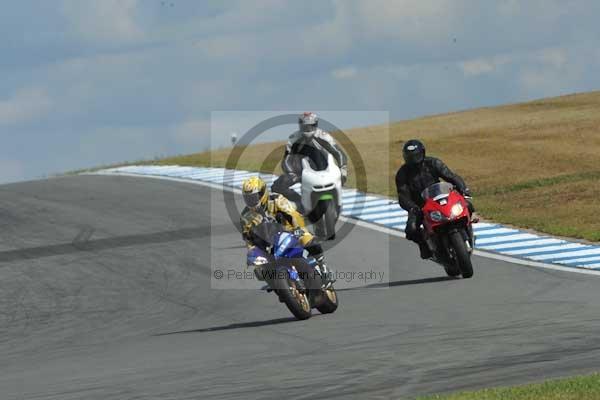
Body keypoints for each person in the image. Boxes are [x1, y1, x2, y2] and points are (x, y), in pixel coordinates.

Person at [240, 176, 333, 285]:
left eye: (254, 197)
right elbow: (248, 239)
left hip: (290, 230)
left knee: (307, 239)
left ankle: (322, 266)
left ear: (263, 193)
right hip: (268, 243)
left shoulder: (276, 199)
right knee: (260, 270)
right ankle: (279, 287)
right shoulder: (246, 216)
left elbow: (292, 215)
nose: (252, 201)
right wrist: (253, 252)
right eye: (249, 198)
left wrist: (297, 229)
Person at [395, 139, 475, 259]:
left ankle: (469, 225)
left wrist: (464, 189)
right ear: (405, 157)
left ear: (423, 152)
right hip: (420, 206)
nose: (414, 160)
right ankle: (423, 245)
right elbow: (402, 196)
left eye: (416, 156)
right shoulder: (402, 174)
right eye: (411, 157)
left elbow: (451, 176)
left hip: (440, 197)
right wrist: (412, 208)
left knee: (467, 205)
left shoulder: (433, 163)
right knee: (411, 229)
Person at [271, 112, 348, 213]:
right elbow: (286, 159)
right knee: (277, 186)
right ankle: (299, 203)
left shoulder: (324, 136)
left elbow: (339, 153)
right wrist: (291, 173)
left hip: (324, 169)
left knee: (341, 178)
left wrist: (343, 168)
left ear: (315, 125)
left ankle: (338, 203)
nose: (307, 129)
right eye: (305, 126)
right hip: (302, 171)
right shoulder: (293, 138)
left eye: (310, 126)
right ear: (300, 125)